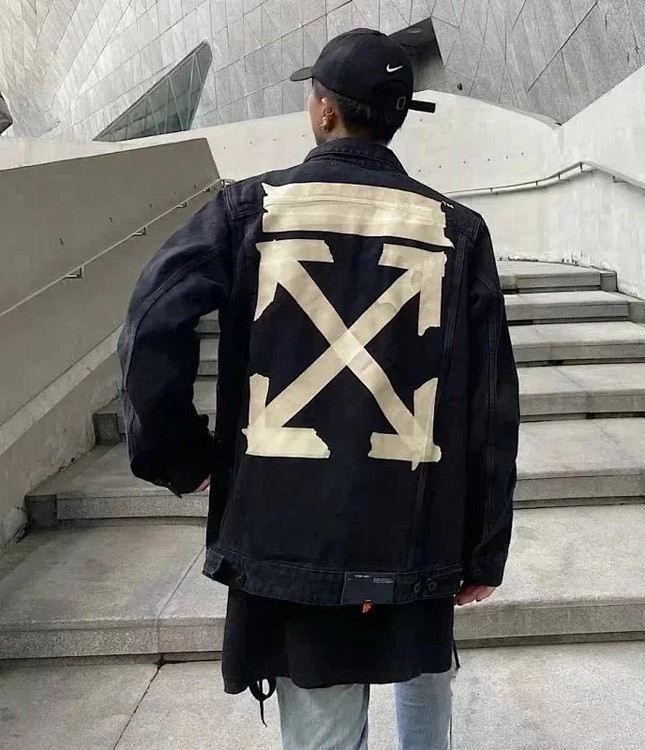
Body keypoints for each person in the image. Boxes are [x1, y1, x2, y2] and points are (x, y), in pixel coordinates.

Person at [119, 28, 519, 750]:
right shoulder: (459, 230)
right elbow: (490, 402)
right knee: (426, 672)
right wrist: (483, 544)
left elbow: (152, 321)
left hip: (288, 525)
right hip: (417, 519)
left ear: (325, 110)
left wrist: (181, 455)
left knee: (323, 729)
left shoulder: (248, 210)